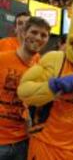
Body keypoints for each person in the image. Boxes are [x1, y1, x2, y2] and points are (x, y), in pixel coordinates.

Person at [0, 17, 50, 160]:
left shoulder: (40, 68)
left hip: (22, 141)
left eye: (43, 35)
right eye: (34, 32)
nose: (38, 38)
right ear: (23, 33)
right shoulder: (2, 59)